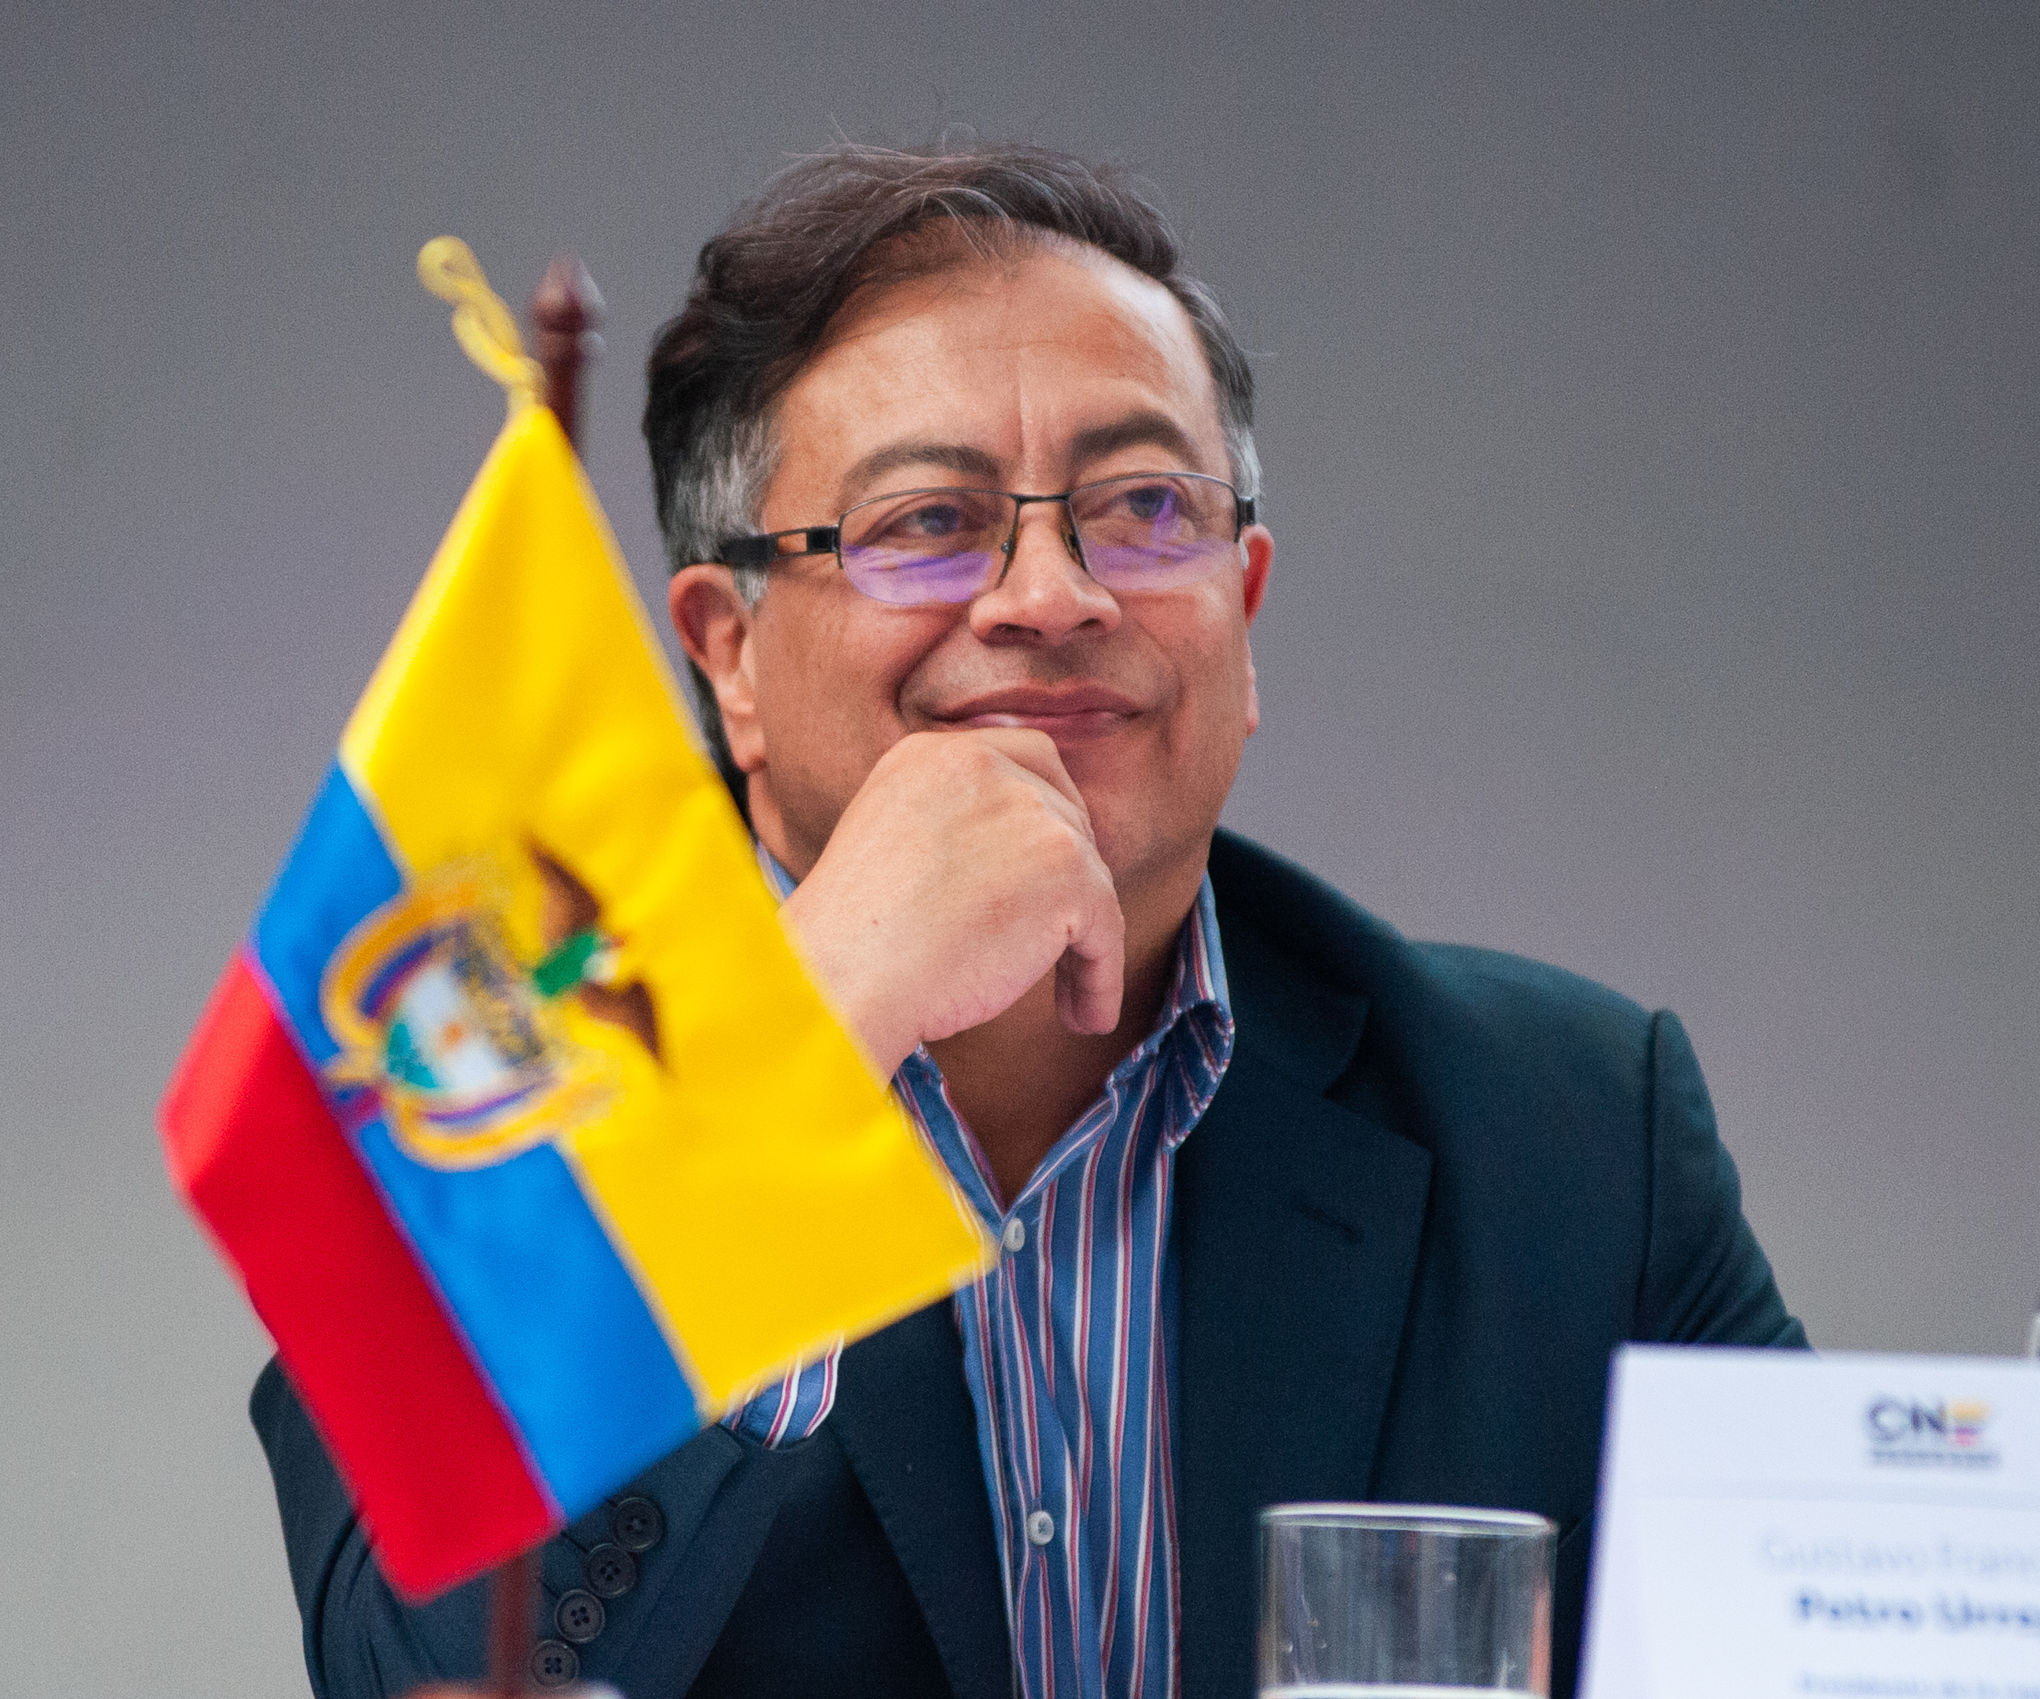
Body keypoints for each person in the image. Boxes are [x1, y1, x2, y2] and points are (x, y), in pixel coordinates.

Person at [252, 139, 1805, 1699]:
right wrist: (797, 1052)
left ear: (1245, 610)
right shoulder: (456, 1110)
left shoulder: (1577, 1138)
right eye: (929, 520)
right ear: (729, 655)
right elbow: (415, 1673)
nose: (1055, 596)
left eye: (1144, 507)